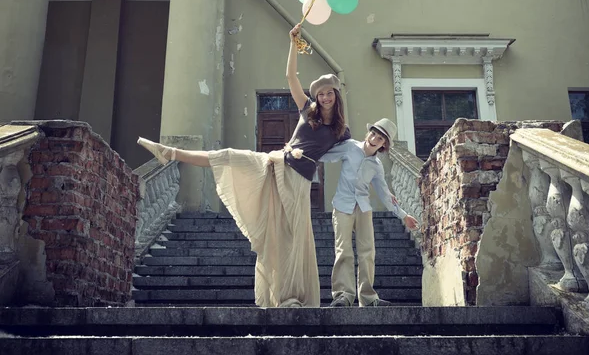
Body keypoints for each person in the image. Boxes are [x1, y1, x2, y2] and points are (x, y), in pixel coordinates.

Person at [137, 23, 350, 308]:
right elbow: (290, 77)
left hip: (299, 184)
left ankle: (288, 297)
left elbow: (357, 152)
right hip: (277, 164)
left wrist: (378, 148)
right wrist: (292, 42)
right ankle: (172, 152)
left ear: (336, 96)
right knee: (228, 156)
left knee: (290, 241)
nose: (324, 97)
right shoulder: (306, 110)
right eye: (321, 93)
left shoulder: (340, 131)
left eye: (329, 93)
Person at [319, 118, 419, 307]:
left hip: (363, 209)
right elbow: (327, 155)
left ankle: (368, 297)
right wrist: (302, 153)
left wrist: (404, 215)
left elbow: (385, 193)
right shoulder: (349, 147)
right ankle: (343, 295)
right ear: (368, 133)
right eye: (373, 133)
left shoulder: (376, 166)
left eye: (380, 138)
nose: (374, 139)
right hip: (342, 206)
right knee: (344, 250)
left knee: (367, 252)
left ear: (383, 145)